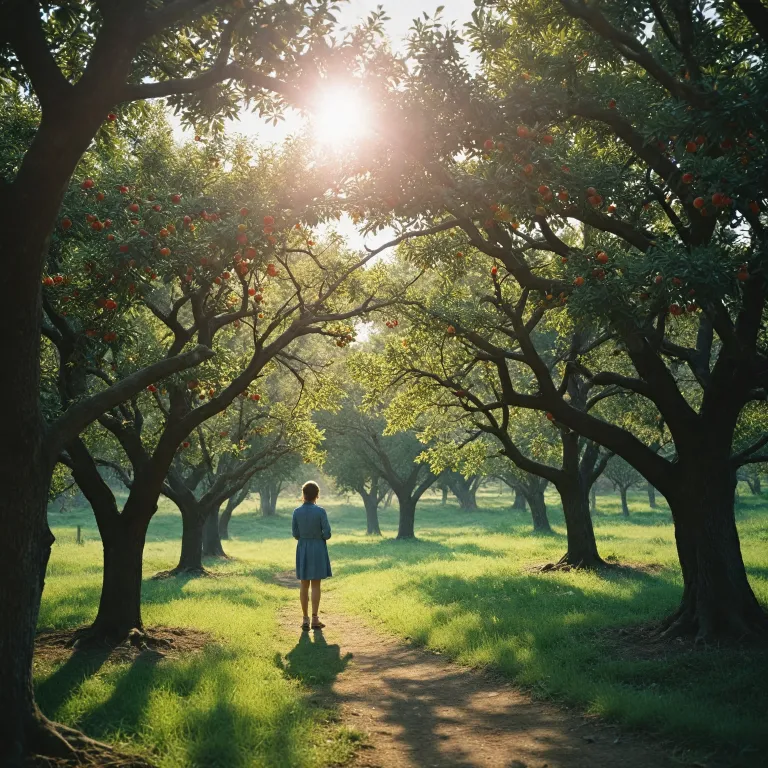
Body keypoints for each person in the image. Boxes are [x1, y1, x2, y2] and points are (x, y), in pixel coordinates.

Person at [292, 481, 332, 630]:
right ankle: (315, 619)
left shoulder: (296, 512)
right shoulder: (321, 511)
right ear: (317, 495)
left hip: (303, 548)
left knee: (304, 583)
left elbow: (295, 534)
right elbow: (327, 534)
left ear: (304, 494)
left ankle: (305, 619)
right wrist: (318, 536)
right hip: (318, 548)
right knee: (316, 584)